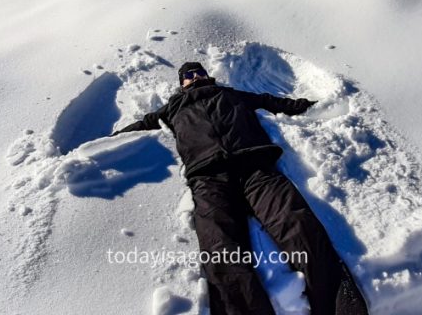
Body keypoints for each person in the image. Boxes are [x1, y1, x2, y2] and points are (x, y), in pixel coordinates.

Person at [111, 62, 369, 315]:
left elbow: (271, 102)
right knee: (220, 247)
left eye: (199, 71)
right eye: (189, 75)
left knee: (296, 223)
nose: (196, 76)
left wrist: (314, 106)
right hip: (208, 178)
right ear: (182, 83)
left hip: (255, 168)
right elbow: (138, 128)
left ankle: (337, 304)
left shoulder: (230, 93)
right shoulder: (171, 109)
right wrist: (101, 145)